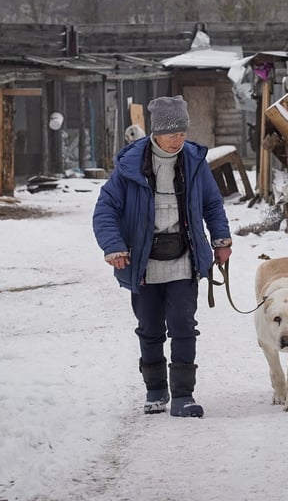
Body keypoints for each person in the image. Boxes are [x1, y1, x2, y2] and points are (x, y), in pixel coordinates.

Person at [92, 95, 233, 418]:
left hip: (184, 256)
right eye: (172, 134)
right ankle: (155, 391)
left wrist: (221, 239)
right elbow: (105, 210)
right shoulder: (129, 167)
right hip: (144, 260)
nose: (178, 140)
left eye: (182, 133)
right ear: (156, 132)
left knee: (183, 325)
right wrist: (113, 246)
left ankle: (184, 394)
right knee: (150, 327)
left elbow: (212, 204)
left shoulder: (195, 163)